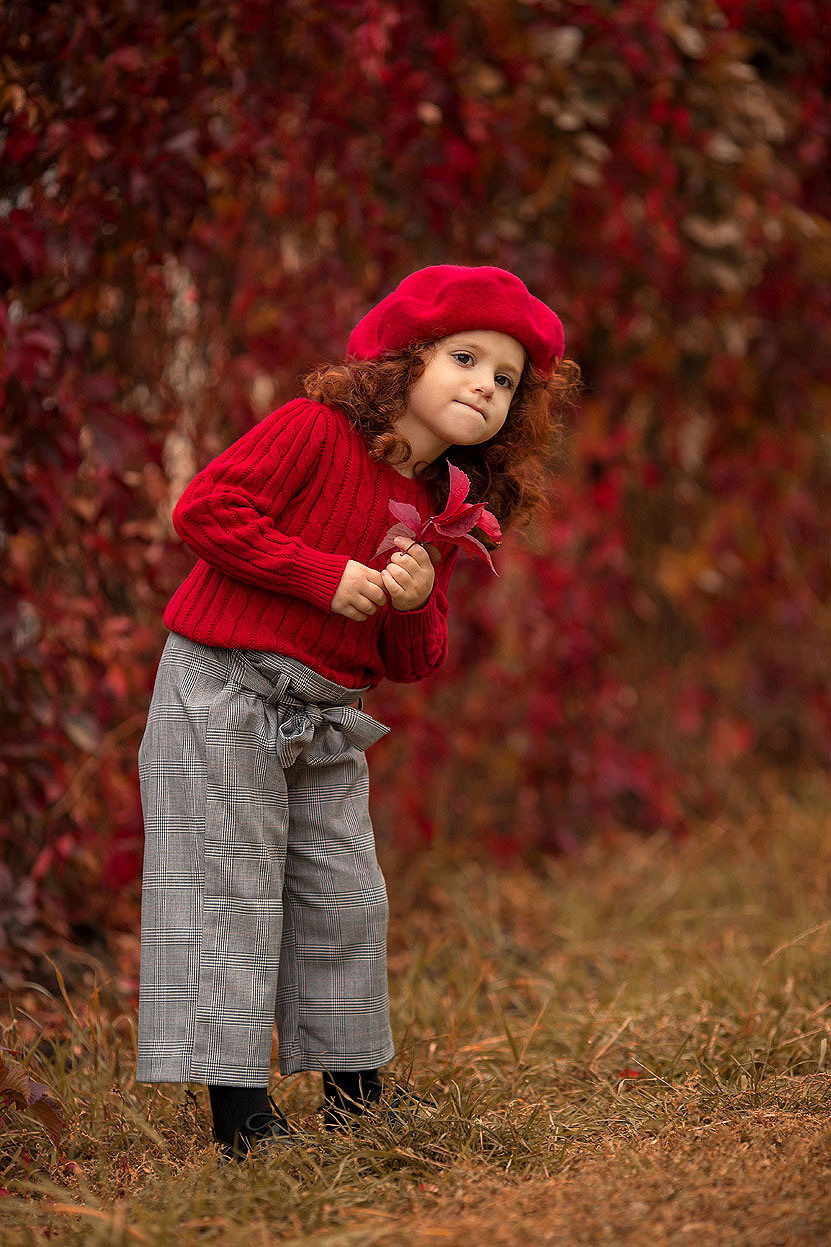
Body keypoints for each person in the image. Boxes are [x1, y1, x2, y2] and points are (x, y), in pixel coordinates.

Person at [136, 264, 575, 1159]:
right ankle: (240, 1115)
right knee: (233, 891)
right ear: (406, 358)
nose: (484, 387)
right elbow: (205, 508)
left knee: (347, 896)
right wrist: (318, 574)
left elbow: (413, 660)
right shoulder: (316, 428)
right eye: (464, 358)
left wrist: (411, 601)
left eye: (505, 380)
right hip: (221, 684)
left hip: (327, 712)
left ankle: (355, 1094)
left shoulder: (444, 502)